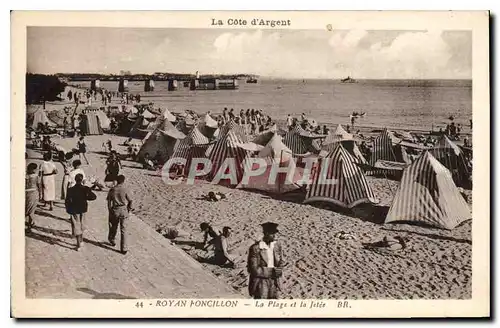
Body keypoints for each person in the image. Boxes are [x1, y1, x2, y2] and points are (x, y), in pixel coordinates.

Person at [247, 222, 284, 299]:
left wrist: (279, 269)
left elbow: (280, 260)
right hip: (261, 282)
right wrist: (271, 271)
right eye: (272, 234)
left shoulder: (277, 246)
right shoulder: (256, 248)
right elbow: (253, 269)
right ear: (266, 233)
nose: (274, 236)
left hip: (275, 281)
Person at [65, 173, 97, 251]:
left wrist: (68, 209)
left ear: (75, 180)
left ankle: (78, 244)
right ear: (82, 180)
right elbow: (93, 197)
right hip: (83, 209)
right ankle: (81, 241)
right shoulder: (85, 188)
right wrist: (86, 197)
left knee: (76, 226)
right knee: (82, 226)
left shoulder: (70, 189)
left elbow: (67, 201)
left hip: (74, 210)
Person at [107, 175, 133, 254]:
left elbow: (109, 202)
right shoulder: (125, 189)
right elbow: (130, 201)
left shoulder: (112, 190)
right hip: (123, 210)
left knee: (113, 226)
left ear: (117, 181)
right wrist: (129, 209)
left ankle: (112, 239)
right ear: (123, 181)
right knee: (123, 230)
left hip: (115, 209)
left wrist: (110, 210)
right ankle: (124, 248)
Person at [25, 163, 39, 232]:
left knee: (28, 209)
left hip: (26, 193)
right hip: (34, 193)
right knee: (32, 210)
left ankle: (30, 224)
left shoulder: (26, 176)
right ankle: (30, 224)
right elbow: (39, 185)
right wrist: (41, 194)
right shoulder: (36, 176)